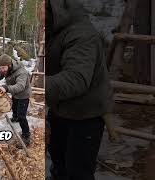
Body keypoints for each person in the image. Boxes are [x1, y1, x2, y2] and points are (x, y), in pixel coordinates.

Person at [46, 0, 113, 179]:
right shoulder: (54, 29)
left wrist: (35, 87)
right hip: (60, 109)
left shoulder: (82, 34)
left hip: (85, 115)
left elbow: (76, 79)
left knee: (78, 172)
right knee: (58, 164)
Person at [0, 54, 32, 147]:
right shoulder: (6, 69)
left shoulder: (21, 72)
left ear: (9, 65)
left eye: (3, 68)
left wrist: (6, 88)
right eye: (0, 68)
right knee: (14, 107)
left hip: (23, 94)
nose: (2, 70)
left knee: (22, 116)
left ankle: (26, 136)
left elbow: (20, 86)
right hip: (15, 93)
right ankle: (15, 117)